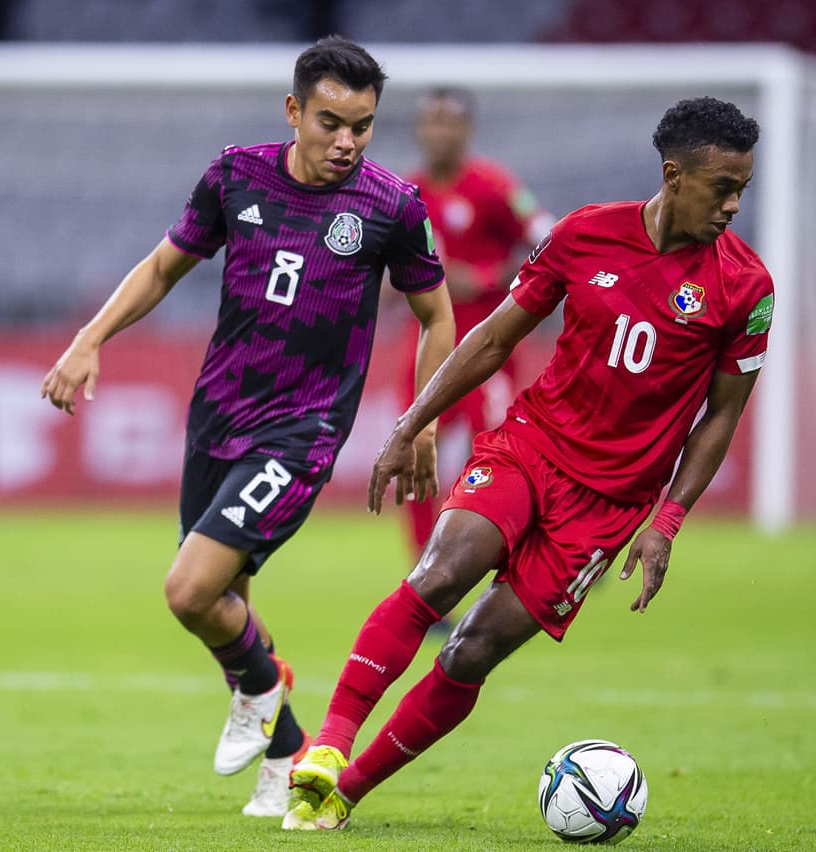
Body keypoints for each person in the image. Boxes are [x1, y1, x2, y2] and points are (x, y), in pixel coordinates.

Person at [282, 96, 773, 832]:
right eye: (722, 187)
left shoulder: (747, 287)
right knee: (439, 575)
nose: (734, 204)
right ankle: (327, 747)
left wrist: (667, 520)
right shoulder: (584, 235)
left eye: (743, 189)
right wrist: (412, 422)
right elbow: (493, 337)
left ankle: (344, 793)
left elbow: (723, 413)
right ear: (674, 175)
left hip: (608, 508)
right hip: (530, 446)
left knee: (473, 651)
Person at [39, 36, 454, 818]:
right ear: (294, 111)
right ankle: (286, 751)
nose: (346, 142)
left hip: (304, 429)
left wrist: (422, 424)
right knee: (226, 601)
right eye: (331, 122)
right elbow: (164, 266)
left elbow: (439, 315)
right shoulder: (236, 175)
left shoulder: (391, 206)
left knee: (189, 591)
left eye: (362, 127)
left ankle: (262, 689)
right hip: (218, 415)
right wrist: (89, 339)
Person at [399, 87, 555, 567]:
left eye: (449, 121)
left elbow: (548, 242)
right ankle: (425, 568)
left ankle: (532, 549)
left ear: (466, 130)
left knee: (500, 454)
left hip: (489, 343)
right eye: (431, 121)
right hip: (427, 343)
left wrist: (484, 279)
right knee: (411, 448)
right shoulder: (406, 192)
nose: (439, 131)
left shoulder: (494, 187)